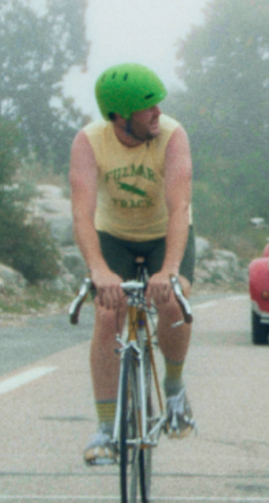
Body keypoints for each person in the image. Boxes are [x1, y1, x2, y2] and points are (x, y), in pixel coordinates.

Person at [70, 63, 197, 465]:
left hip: (165, 234)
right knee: (108, 315)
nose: (158, 112)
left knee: (174, 301)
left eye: (159, 104)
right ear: (120, 118)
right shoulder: (89, 142)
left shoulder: (173, 137)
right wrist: (98, 270)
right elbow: (81, 213)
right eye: (148, 108)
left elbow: (180, 206)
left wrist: (170, 268)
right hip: (115, 236)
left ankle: (174, 391)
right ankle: (106, 430)